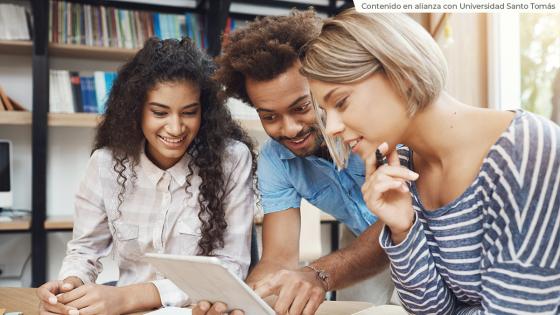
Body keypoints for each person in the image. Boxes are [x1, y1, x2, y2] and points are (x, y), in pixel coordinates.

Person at [300, 9, 560, 314]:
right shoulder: (406, 166)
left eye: (341, 102)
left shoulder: (526, 152)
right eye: (325, 112)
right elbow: (432, 310)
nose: (331, 128)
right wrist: (403, 229)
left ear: (403, 74)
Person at [36, 37, 257, 315]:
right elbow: (84, 251)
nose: (175, 128)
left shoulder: (231, 160)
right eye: (159, 112)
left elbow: (231, 266)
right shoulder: (105, 164)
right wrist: (69, 290)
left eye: (189, 112)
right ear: (136, 109)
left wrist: (130, 297)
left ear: (205, 111)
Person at [193, 10, 392, 315]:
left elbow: (398, 222)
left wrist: (317, 274)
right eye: (269, 116)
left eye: (301, 107)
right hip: (359, 241)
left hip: (420, 234)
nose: (289, 129)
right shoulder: (276, 161)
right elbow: (278, 260)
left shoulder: (374, 126)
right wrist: (239, 302)